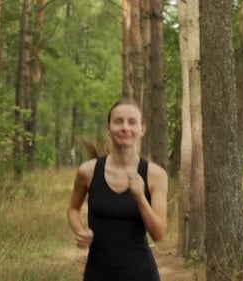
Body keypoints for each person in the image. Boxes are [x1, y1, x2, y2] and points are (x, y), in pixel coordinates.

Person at [67, 98, 168, 281]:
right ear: (108, 128)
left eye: (132, 122)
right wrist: (79, 230)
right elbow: (73, 208)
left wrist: (140, 198)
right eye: (118, 121)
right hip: (97, 273)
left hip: (140, 274)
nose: (125, 128)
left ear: (142, 129)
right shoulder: (88, 171)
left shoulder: (155, 175)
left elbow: (159, 234)